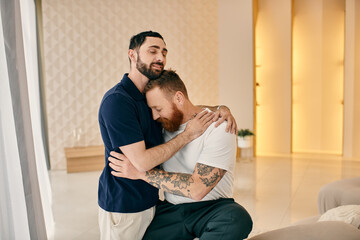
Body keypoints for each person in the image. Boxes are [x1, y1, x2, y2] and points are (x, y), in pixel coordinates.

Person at [98, 31, 237, 240]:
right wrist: (188, 135)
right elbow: (142, 162)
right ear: (132, 55)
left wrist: (220, 108)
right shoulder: (118, 101)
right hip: (125, 205)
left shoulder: (147, 98)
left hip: (153, 203)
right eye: (152, 51)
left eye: (164, 52)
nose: (160, 57)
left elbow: (182, 107)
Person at [109, 70, 253, 240]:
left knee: (237, 219)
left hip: (213, 208)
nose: (155, 116)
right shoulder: (161, 128)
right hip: (171, 210)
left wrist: (140, 173)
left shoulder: (219, 127)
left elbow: (197, 189)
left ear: (179, 98)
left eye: (158, 108)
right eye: (151, 110)